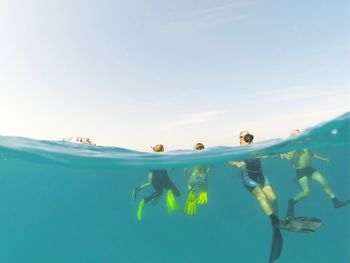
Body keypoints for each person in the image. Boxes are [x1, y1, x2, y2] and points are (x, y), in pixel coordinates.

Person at [228, 131, 283, 263]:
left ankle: (277, 219)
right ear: (240, 139)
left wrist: (278, 153)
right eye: (246, 137)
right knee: (260, 195)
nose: (249, 139)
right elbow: (229, 160)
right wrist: (236, 164)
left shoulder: (256, 148)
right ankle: (273, 219)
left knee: (273, 197)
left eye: (250, 137)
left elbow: (266, 154)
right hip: (249, 178)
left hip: (261, 176)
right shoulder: (238, 151)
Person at [282, 129, 350, 218]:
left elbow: (312, 153)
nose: (300, 136)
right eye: (298, 135)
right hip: (300, 171)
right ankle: (291, 203)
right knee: (306, 192)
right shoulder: (292, 147)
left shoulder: (304, 144)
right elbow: (289, 158)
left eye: (300, 135)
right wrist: (294, 152)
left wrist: (322, 158)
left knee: (324, 182)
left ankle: (335, 202)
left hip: (309, 168)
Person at [132, 144, 181, 221]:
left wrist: (149, 183)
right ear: (162, 150)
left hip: (154, 180)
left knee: (159, 192)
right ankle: (169, 193)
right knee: (177, 194)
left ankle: (144, 200)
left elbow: (151, 174)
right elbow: (171, 167)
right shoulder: (164, 158)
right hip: (164, 178)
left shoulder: (151, 159)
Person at [184, 143, 212, 216]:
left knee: (190, 184)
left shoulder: (193, 157)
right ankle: (203, 192)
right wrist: (208, 171)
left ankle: (192, 191)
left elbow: (186, 168)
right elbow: (211, 165)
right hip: (203, 175)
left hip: (195, 175)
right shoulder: (207, 157)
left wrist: (185, 173)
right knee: (203, 187)